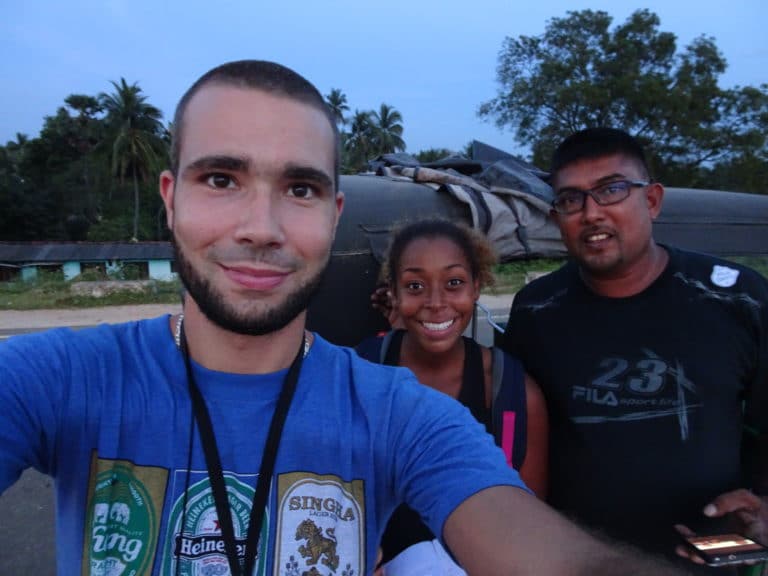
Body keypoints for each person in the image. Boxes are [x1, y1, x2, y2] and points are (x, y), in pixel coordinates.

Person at [0, 62, 693, 575]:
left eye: (299, 187)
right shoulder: (62, 379)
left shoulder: (400, 412)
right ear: (171, 196)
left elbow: (552, 556)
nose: (262, 227)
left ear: (333, 217)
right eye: (221, 179)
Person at [501, 127, 768, 571]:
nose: (591, 214)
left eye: (611, 190)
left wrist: (763, 505)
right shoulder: (537, 309)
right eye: (571, 199)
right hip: (579, 562)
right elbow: (510, 420)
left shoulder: (737, 300)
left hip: (703, 559)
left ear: (652, 200)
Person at [356, 219, 548, 574]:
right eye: (415, 286)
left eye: (454, 283)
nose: (436, 302)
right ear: (394, 294)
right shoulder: (360, 374)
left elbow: (528, 527)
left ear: (477, 287)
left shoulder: (512, 392)